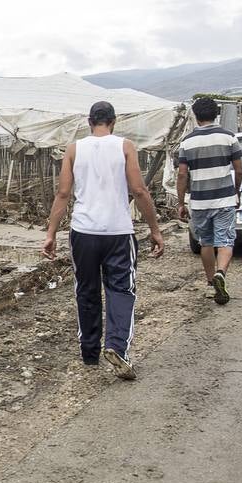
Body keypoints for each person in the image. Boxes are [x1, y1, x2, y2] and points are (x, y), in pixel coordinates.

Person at [43, 101, 165, 379]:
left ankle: (89, 352)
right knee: (121, 289)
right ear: (114, 121)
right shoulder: (125, 146)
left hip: (83, 231)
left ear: (89, 121)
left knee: (86, 289)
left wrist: (50, 233)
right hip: (118, 232)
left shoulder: (74, 149)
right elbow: (139, 190)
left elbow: (63, 194)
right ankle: (117, 347)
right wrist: (155, 229)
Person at [175, 97, 242, 304]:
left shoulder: (187, 142)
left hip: (199, 202)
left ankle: (209, 283)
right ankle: (221, 273)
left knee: (206, 242)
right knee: (225, 241)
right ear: (217, 114)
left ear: (195, 116)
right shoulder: (229, 137)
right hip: (224, 199)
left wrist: (180, 202)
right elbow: (239, 169)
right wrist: (236, 191)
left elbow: (182, 175)